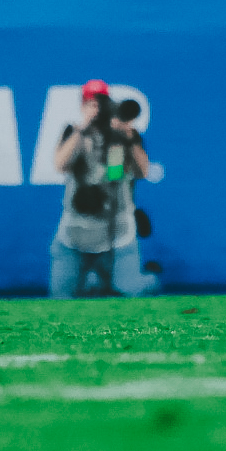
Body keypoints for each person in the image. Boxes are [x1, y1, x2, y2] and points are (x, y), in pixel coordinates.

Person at [50, 79, 156, 297]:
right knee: (61, 294)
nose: (96, 109)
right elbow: (60, 164)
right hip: (75, 233)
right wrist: (82, 130)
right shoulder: (73, 132)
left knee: (129, 290)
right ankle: (93, 280)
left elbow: (140, 172)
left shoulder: (123, 137)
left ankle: (150, 279)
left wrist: (127, 136)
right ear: (82, 106)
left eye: (100, 103)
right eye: (91, 103)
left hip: (117, 234)